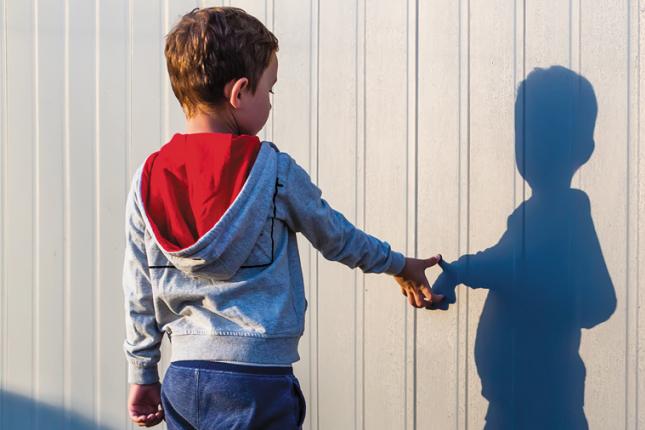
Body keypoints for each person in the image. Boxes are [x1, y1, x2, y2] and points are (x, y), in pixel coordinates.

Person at [122, 7, 444, 429]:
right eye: (269, 91)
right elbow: (338, 237)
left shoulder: (148, 178)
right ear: (239, 93)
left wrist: (142, 372)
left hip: (183, 380)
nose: (270, 102)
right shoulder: (271, 171)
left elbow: (139, 287)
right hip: (257, 381)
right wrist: (399, 264)